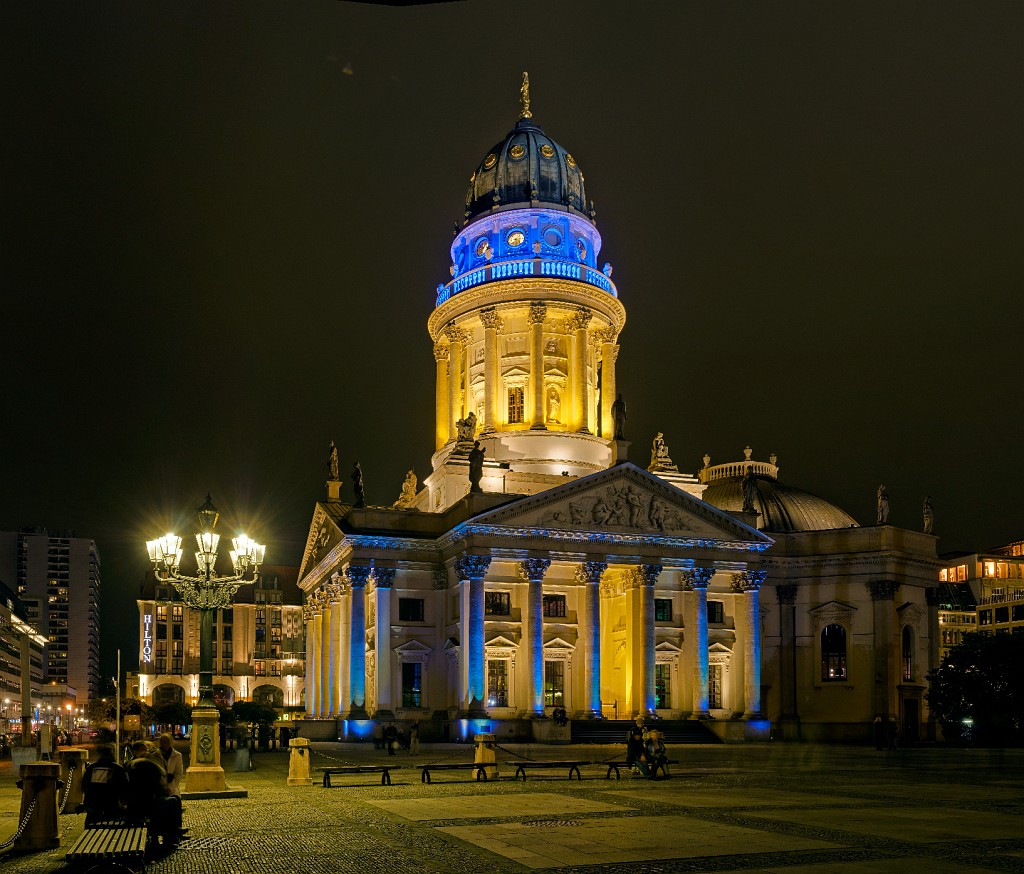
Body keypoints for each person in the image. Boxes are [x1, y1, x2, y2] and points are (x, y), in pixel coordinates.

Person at [126, 741, 179, 849]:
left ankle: (164, 835)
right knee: (172, 801)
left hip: (132, 805)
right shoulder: (152, 768)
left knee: (166, 803)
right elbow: (158, 789)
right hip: (147, 804)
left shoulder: (129, 765)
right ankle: (171, 836)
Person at [81, 744, 129, 826]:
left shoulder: (91, 768)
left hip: (93, 804)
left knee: (91, 825)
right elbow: (125, 788)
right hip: (112, 805)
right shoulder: (118, 769)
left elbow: (84, 786)